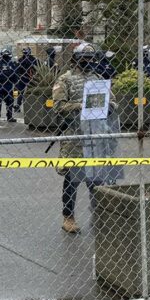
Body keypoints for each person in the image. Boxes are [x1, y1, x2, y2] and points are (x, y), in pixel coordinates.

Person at [51, 42, 120, 234]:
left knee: (96, 181)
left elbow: (113, 102)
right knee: (72, 181)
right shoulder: (65, 80)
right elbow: (58, 107)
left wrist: (107, 107)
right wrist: (80, 106)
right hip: (74, 137)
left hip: (95, 137)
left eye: (91, 59)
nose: (88, 62)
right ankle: (68, 217)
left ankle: (98, 216)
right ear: (76, 59)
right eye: (84, 59)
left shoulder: (97, 79)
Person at [0, 48, 18, 123]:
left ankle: (9, 117)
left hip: (9, 86)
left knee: (10, 101)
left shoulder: (11, 63)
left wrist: (15, 83)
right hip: (0, 86)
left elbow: (15, 74)